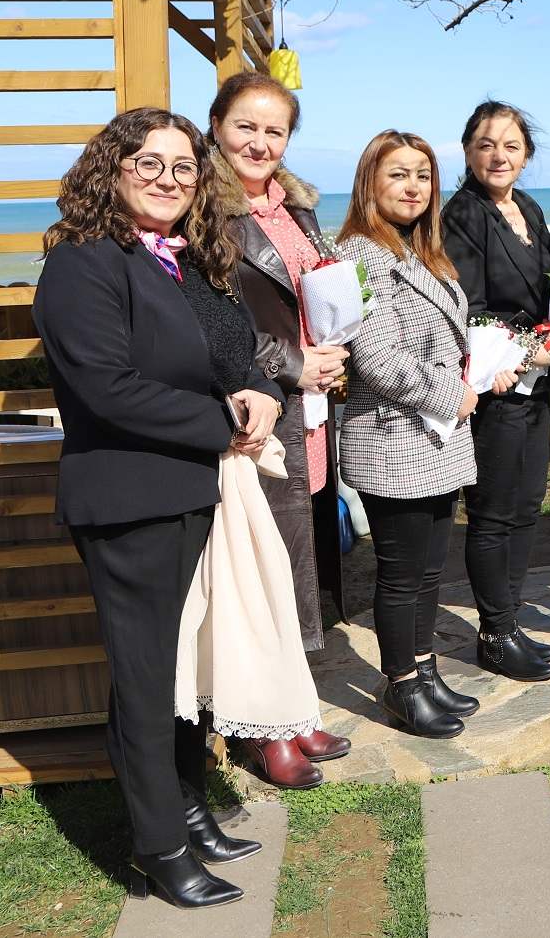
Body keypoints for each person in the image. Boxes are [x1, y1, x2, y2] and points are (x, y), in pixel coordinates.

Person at [34, 108, 281, 909]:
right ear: (112, 169)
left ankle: (187, 804)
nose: (168, 181)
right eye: (149, 164)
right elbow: (105, 387)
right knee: (145, 679)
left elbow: (232, 353)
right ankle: (160, 849)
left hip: (190, 491)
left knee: (181, 671)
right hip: (129, 500)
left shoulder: (182, 259)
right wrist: (221, 425)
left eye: (182, 168)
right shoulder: (82, 264)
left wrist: (261, 396)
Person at [205, 71, 352, 784]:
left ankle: (296, 709)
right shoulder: (206, 212)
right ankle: (267, 730)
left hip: (311, 412)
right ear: (216, 125)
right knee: (263, 569)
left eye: (275, 130)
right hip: (259, 409)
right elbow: (215, 324)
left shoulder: (295, 207)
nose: (260, 142)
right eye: (246, 126)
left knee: (299, 562)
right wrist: (295, 363)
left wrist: (334, 345)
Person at [336, 131, 481, 740]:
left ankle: (424, 671)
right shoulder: (358, 255)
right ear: (371, 180)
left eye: (422, 175)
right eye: (398, 174)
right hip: (393, 437)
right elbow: (378, 361)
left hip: (438, 439)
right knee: (399, 574)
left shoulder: (424, 253)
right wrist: (458, 394)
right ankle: (400, 686)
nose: (413, 186)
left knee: (427, 572)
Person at [442, 101, 550, 681]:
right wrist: (522, 352)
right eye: (487, 144)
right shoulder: (463, 215)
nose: (499, 155)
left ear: (527, 156)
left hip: (537, 378)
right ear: (468, 151)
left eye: (512, 146)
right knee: (492, 513)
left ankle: (510, 621)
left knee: (525, 507)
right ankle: (493, 632)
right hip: (494, 382)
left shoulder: (531, 209)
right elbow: (466, 306)